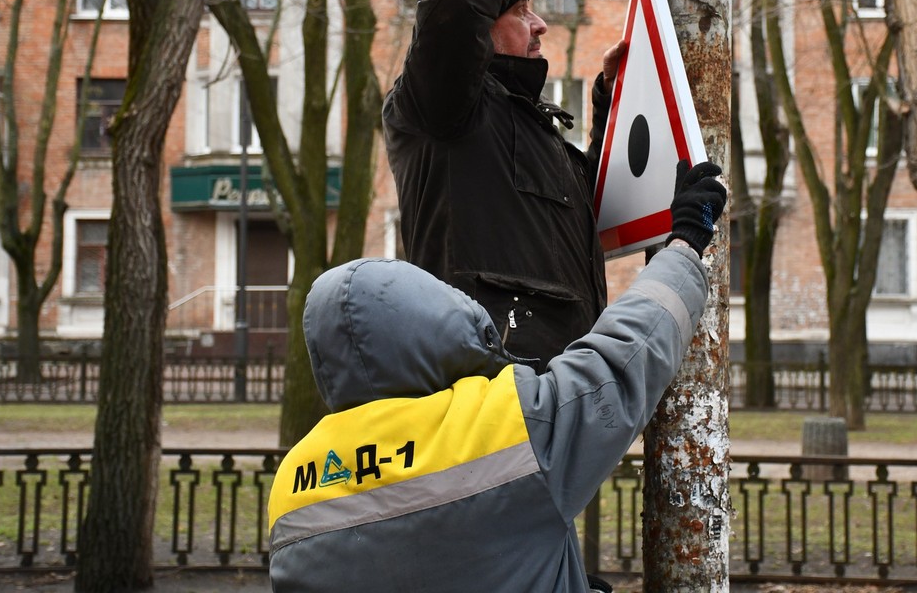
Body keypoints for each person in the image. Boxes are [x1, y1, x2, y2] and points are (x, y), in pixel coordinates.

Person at [267, 161, 727, 593]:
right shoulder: (501, 427)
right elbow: (621, 357)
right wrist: (685, 244)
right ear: (434, 326)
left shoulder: (291, 485)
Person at [383, 0, 626, 368]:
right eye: (520, 11)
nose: (541, 25)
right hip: (492, 393)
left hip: (562, 390)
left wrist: (612, 100)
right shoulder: (442, 107)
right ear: (472, 34)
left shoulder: (529, 122)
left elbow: (587, 218)